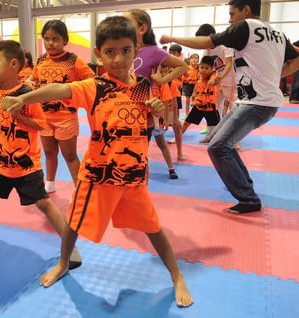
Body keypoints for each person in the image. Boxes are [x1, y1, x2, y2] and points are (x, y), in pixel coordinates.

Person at [2, 16, 193, 308]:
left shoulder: (143, 85)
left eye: (126, 51)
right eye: (110, 52)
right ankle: (64, 261)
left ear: (136, 49)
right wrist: (25, 98)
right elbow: (60, 90)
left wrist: (156, 111)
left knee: (153, 227)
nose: (119, 59)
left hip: (133, 175)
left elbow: (154, 122)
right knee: (74, 223)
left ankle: (177, 275)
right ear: (98, 53)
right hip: (97, 175)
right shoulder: (94, 85)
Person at [160, 0, 299, 214]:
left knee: (218, 147)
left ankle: (248, 198)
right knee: (219, 140)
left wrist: (172, 38)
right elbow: (296, 59)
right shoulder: (277, 33)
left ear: (246, 10)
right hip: (256, 101)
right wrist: (274, 77)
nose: (230, 19)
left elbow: (207, 40)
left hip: (257, 103)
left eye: (232, 13)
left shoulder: (246, 27)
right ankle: (244, 184)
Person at [0, 39, 81, 269]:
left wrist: (18, 114)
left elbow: (40, 125)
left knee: (43, 203)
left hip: (25, 164)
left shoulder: (26, 93)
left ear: (13, 64)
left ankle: (69, 245)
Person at [27, 20, 95, 193]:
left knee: (70, 156)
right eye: (47, 39)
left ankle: (80, 190)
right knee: (49, 153)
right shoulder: (41, 60)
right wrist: (29, 82)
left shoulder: (74, 61)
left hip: (66, 117)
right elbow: (32, 79)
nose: (50, 43)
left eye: (55, 39)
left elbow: (92, 80)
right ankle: (49, 182)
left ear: (65, 40)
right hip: (44, 116)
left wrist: (75, 92)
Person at [123, 9, 187, 165]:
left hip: (142, 112)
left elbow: (182, 66)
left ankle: (141, 187)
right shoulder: (124, 49)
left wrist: (162, 80)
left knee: (139, 157)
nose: (123, 27)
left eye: (127, 23)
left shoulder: (152, 51)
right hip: (122, 109)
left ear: (142, 29)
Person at [180, 56, 220, 143]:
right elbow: (196, 85)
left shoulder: (213, 75)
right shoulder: (199, 76)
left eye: (206, 68)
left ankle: (209, 137)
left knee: (214, 125)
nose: (203, 70)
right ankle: (178, 136)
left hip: (210, 107)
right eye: (202, 67)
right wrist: (194, 95)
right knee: (187, 122)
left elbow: (214, 79)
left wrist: (212, 81)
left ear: (211, 69)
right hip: (199, 105)